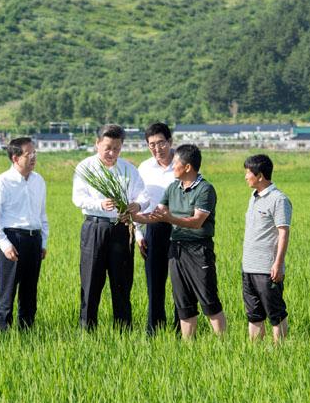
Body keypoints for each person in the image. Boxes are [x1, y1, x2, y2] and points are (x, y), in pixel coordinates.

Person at [72, 124, 149, 330]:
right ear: (97, 144)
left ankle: (123, 331)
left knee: (122, 283)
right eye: (107, 147)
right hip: (94, 228)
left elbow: (144, 195)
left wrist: (137, 205)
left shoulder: (128, 169)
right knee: (91, 283)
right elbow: (78, 198)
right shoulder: (85, 167)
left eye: (116, 148)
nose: (112, 153)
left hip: (122, 229)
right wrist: (100, 204)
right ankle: (87, 330)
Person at [150, 144, 226, 339]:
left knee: (208, 300)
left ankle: (223, 344)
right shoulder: (173, 187)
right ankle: (188, 347)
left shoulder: (205, 189)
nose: (172, 166)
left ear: (188, 167)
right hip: (176, 250)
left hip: (198, 249)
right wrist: (133, 216)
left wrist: (170, 219)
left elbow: (197, 221)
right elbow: (157, 214)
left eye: (175, 163)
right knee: (183, 303)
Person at [0, 137, 49, 331]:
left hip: (34, 239)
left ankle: (27, 333)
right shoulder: (1, 182)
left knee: (30, 293)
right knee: (7, 292)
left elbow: (42, 215)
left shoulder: (38, 181)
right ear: (15, 158)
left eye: (34, 153)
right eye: (28, 154)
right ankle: (3, 335)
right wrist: (4, 245)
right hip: (12, 239)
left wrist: (43, 242)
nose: (33, 157)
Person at [134, 122, 180, 335]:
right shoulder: (144, 168)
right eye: (151, 144)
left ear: (170, 142)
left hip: (179, 228)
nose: (157, 148)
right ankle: (154, 329)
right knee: (154, 281)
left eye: (161, 143)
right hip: (153, 228)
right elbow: (137, 201)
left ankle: (183, 329)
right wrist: (138, 233)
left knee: (181, 281)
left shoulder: (182, 163)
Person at [242, 154, 292, 342]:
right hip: (248, 267)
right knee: (254, 313)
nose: (246, 177)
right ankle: (256, 354)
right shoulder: (253, 198)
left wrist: (277, 264)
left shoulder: (279, 199)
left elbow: (283, 232)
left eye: (248, 173)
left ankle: (281, 352)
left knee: (275, 313)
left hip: (267, 269)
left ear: (260, 175)